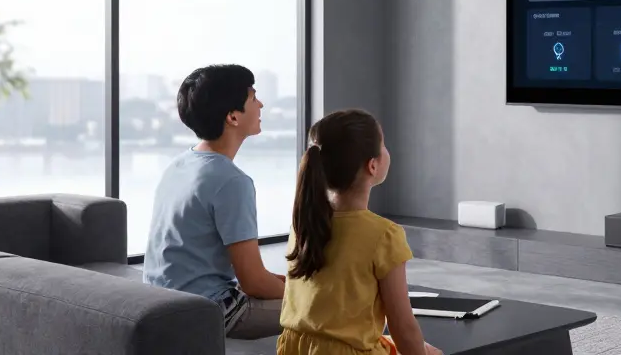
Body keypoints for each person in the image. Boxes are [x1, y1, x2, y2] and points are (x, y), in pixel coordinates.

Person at [278, 109, 441, 355]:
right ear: (372, 165)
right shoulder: (384, 234)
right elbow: (404, 327)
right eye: (383, 144)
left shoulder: (302, 223)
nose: (387, 150)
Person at [143, 64, 286, 339]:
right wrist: (303, 293)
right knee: (331, 306)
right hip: (210, 311)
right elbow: (253, 281)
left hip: (160, 298)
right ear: (233, 116)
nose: (261, 104)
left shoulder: (179, 165)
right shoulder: (232, 181)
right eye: (253, 98)